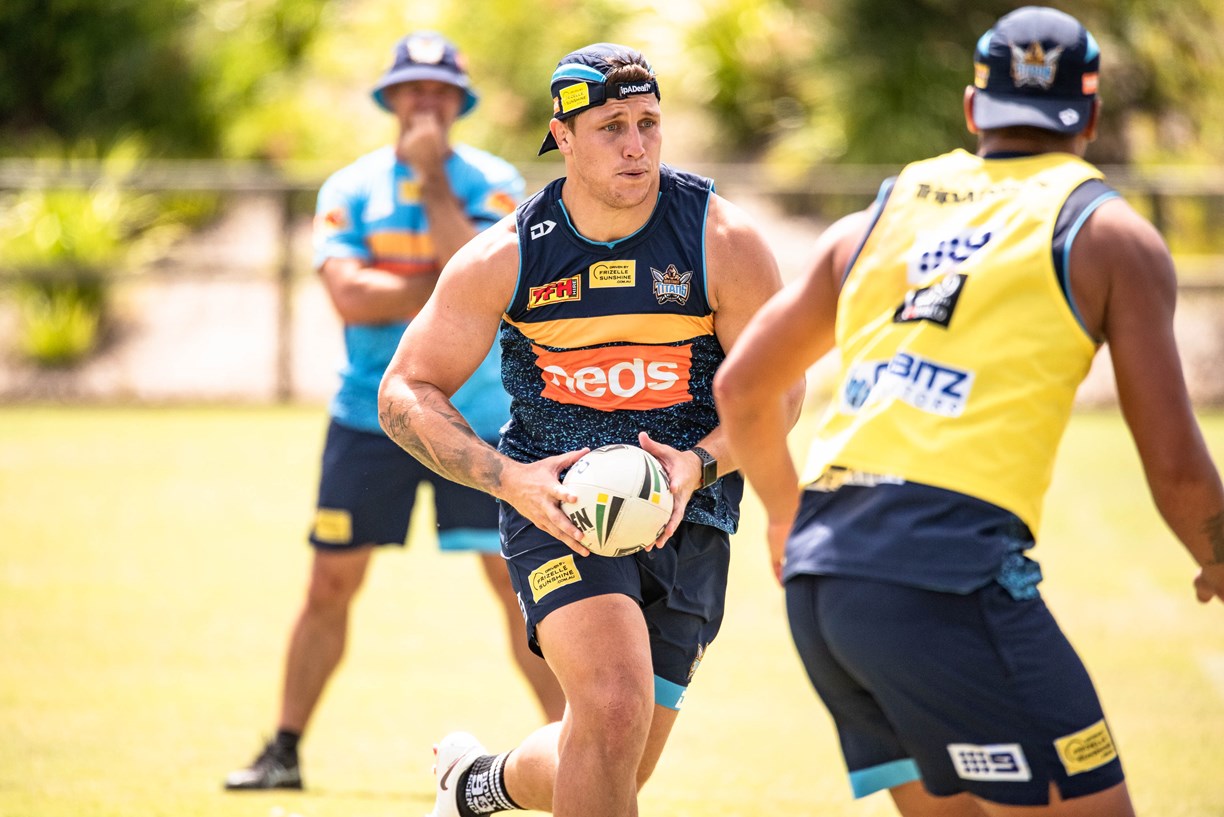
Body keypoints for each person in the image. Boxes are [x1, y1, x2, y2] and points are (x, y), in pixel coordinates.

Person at [715, 6, 1224, 816]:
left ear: (972, 107)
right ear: (1091, 115)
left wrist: (784, 515)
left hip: (825, 582)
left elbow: (742, 388)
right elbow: (1175, 464)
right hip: (944, 577)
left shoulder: (876, 218)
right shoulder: (1110, 235)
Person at [378, 42, 798, 817]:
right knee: (611, 706)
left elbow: (780, 390)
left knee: (616, 758)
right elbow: (404, 390)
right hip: (557, 510)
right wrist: (510, 479)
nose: (636, 145)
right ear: (562, 137)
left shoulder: (721, 242)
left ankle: (475, 782)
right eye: (611, 127)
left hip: (694, 513)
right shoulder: (508, 254)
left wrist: (698, 465)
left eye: (648, 123)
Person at [224, 31, 565, 792]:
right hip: (368, 416)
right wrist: (449, 290)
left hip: (479, 421)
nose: (425, 103)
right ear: (390, 98)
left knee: (521, 589)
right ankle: (283, 750)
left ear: (460, 102)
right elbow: (350, 295)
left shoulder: (498, 182)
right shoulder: (348, 188)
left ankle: (578, 751)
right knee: (329, 584)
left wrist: (435, 187)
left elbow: (492, 283)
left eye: (439, 91)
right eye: (412, 88)